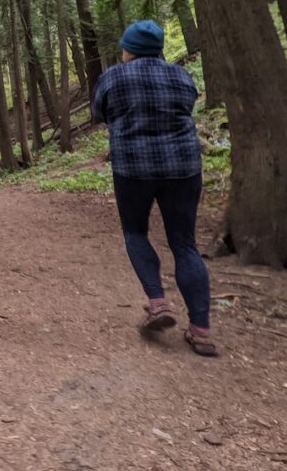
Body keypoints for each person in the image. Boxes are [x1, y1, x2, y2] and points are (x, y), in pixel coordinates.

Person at [92, 20, 217, 357]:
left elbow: (98, 113)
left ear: (128, 49)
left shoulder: (112, 77)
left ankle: (157, 302)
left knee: (135, 232)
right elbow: (189, 105)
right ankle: (201, 330)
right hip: (183, 168)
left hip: (133, 167)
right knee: (185, 244)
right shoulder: (180, 76)